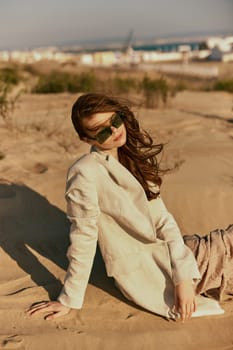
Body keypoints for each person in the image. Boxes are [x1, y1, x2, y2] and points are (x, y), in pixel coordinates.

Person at [27, 93, 233, 322]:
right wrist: (68, 299)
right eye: (102, 130)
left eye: (115, 121)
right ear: (86, 139)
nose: (115, 131)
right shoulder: (85, 171)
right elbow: (83, 238)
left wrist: (183, 276)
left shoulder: (129, 159)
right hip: (153, 270)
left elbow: (163, 220)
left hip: (182, 254)